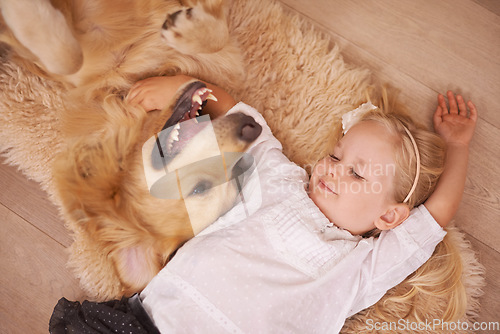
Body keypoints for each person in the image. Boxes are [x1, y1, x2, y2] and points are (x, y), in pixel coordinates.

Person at [51, 75, 477, 333]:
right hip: (151, 322)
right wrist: (187, 87)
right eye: (335, 155)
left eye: (357, 174)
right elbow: (244, 120)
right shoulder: (282, 181)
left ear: (388, 216)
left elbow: (434, 219)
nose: (332, 169)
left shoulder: (360, 267)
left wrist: (457, 147)